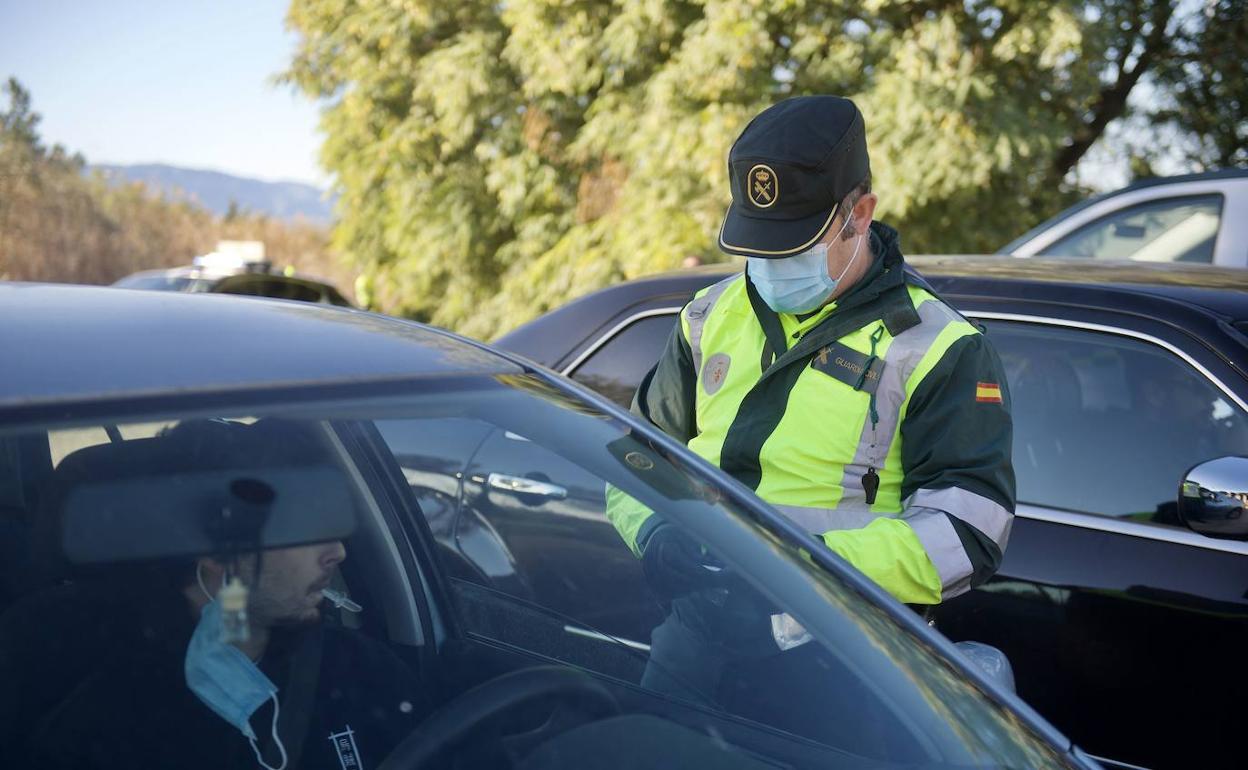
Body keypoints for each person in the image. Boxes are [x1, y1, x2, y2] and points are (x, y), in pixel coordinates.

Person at [608, 95, 1015, 699]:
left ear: (861, 214)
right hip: (694, 644)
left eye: (794, 246)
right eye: (758, 245)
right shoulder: (709, 315)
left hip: (840, 664)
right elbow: (635, 458)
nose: (770, 267)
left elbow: (967, 533)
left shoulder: (939, 347)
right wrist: (655, 535)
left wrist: (799, 571)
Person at [27, 419, 431, 770]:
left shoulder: (364, 674)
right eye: (305, 528)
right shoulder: (104, 725)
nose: (338, 552)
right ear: (221, 552)